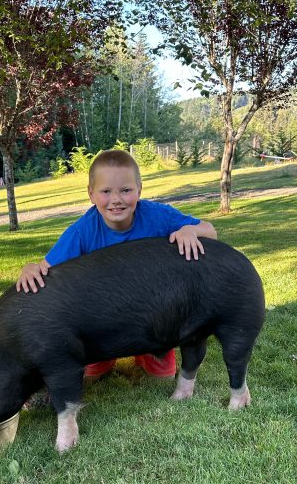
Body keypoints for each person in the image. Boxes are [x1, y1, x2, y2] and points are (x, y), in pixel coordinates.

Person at [16, 149, 217, 380]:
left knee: (162, 377)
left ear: (139, 191)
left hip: (154, 316)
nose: (116, 200)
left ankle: (148, 354)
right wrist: (30, 267)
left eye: (125, 190)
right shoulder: (82, 232)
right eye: (106, 191)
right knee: (91, 376)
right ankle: (104, 358)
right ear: (91, 194)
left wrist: (190, 230)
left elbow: (211, 231)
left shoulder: (159, 216)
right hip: (104, 320)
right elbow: (46, 270)